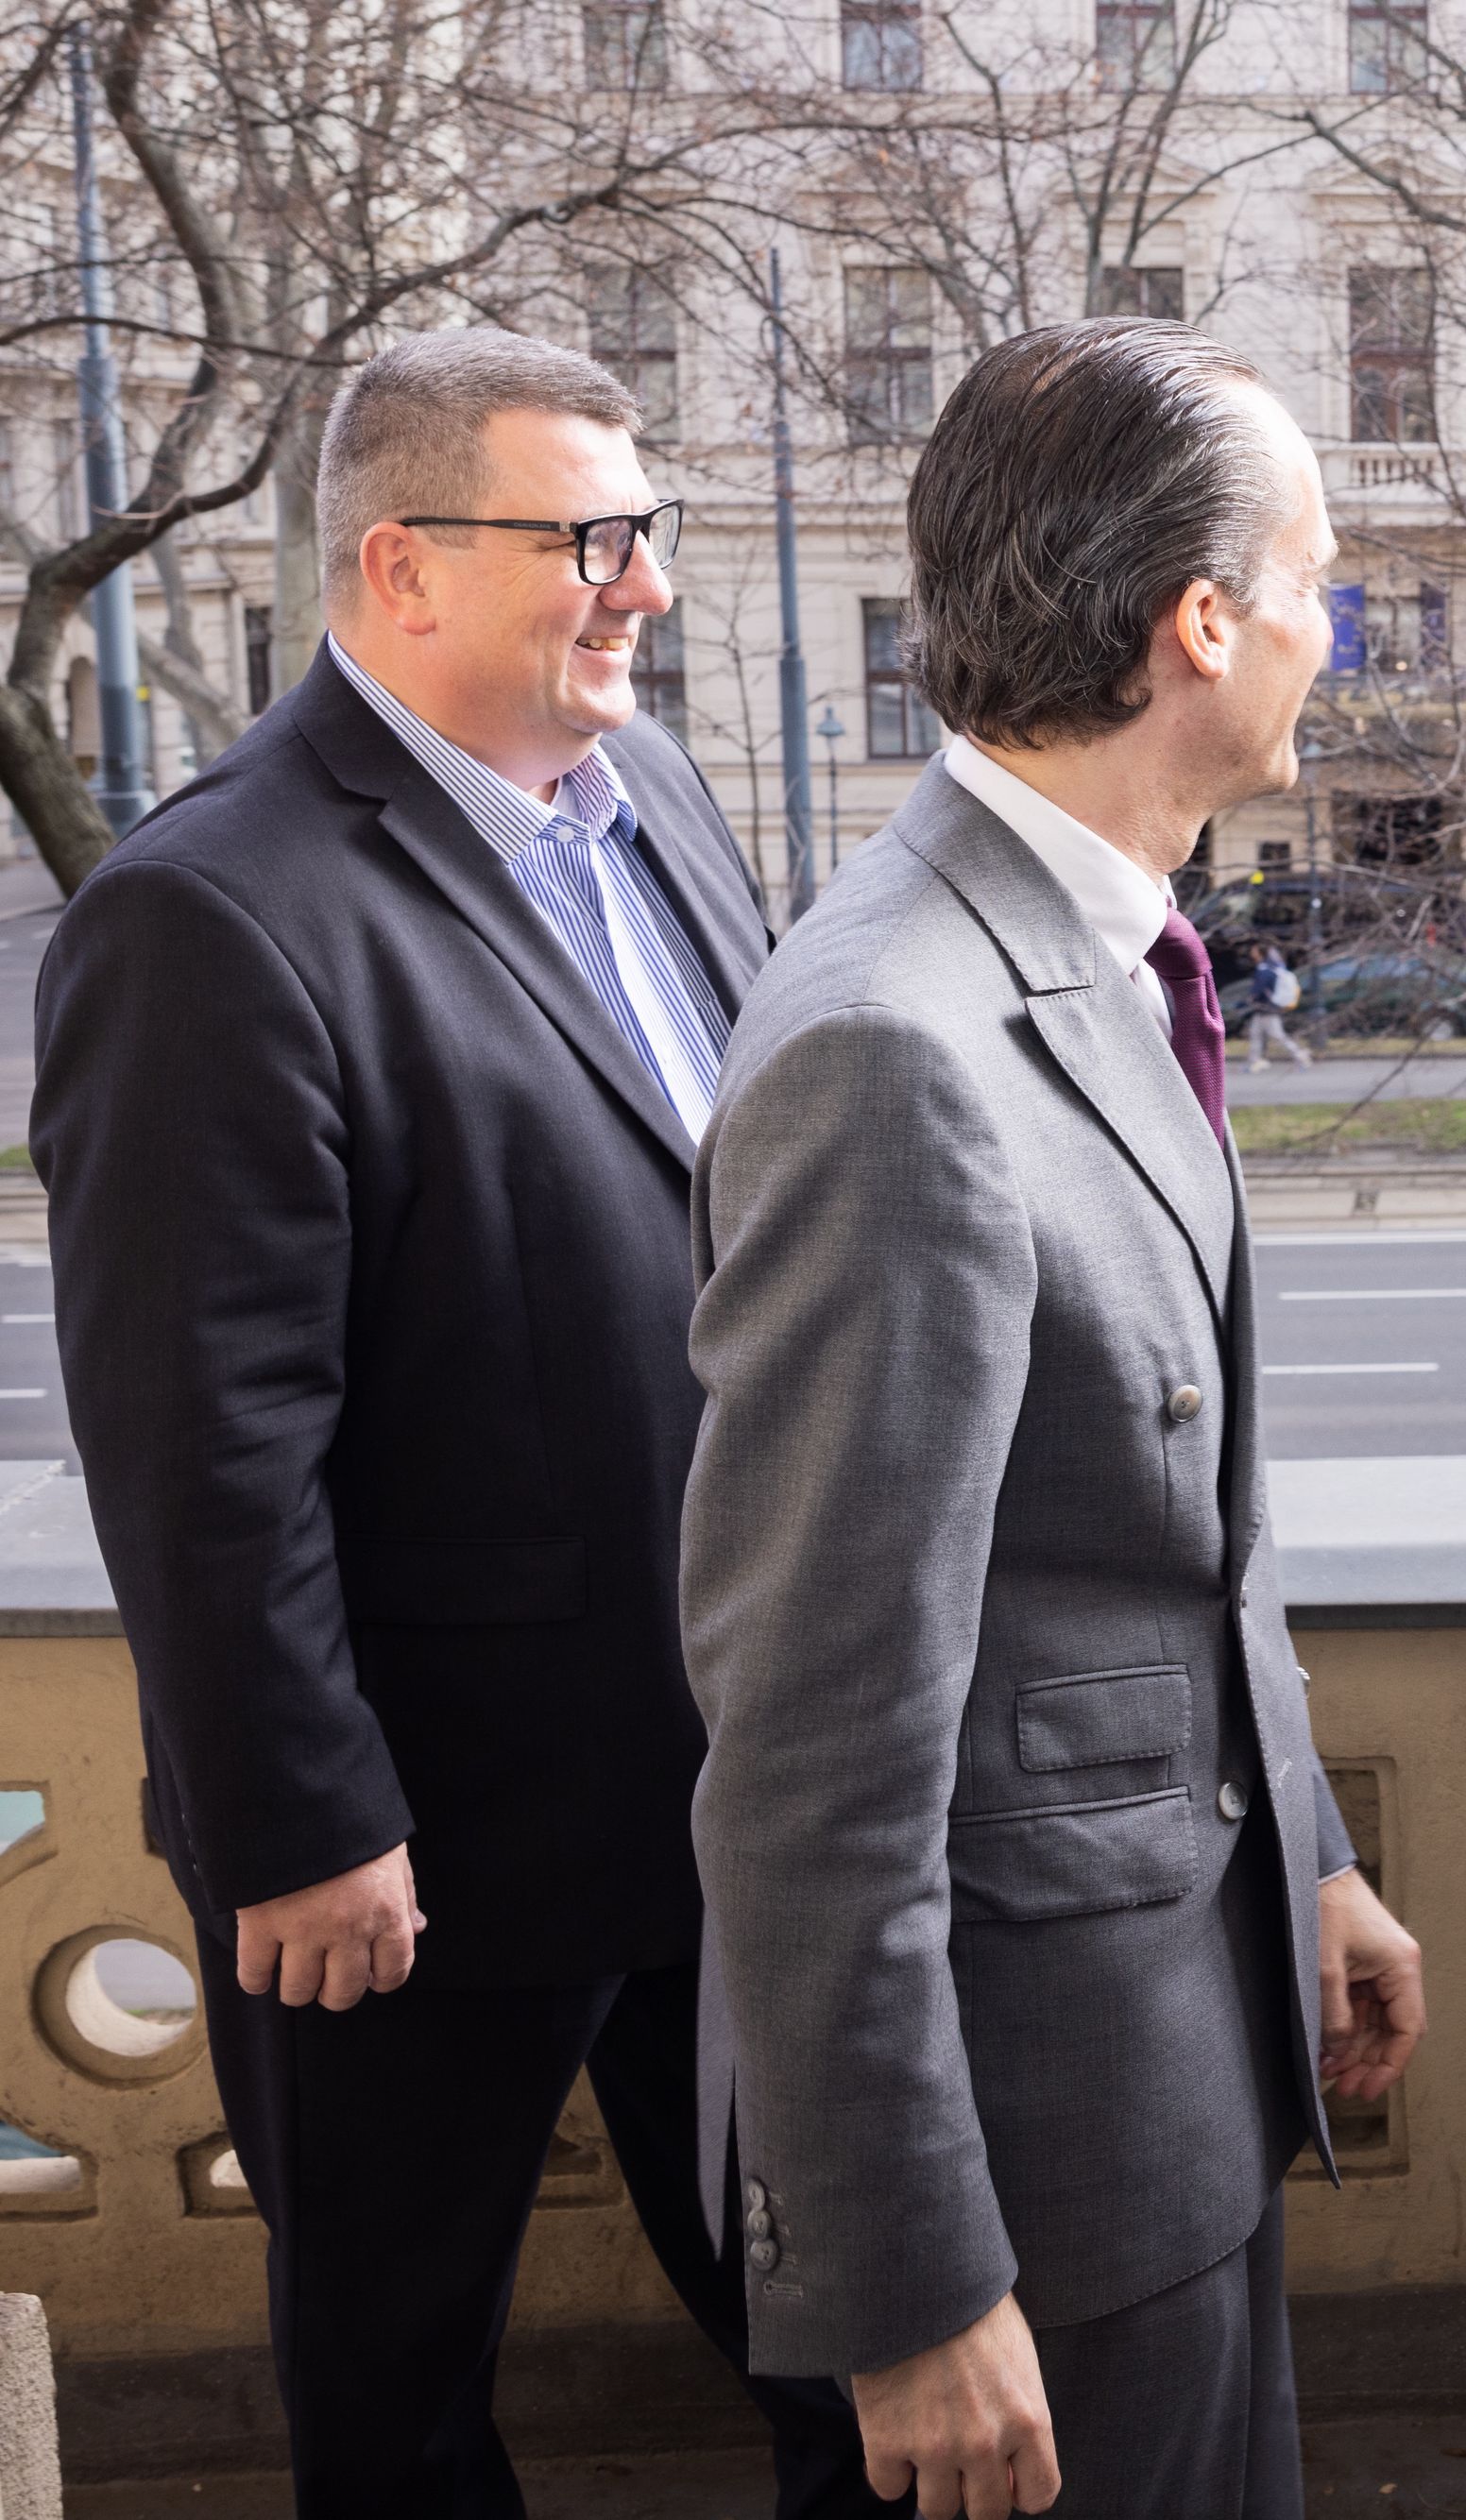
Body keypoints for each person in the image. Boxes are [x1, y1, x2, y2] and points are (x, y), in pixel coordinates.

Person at [28, 331, 883, 2516]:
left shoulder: (663, 802)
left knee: (856, 2355)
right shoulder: (207, 912)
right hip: (409, 1847)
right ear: (400, 567)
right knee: (402, 2413)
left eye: (650, 534)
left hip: (731, 1784)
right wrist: (306, 1821)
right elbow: (204, 1442)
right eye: (590, 541)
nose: (646, 588)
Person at [679, 319, 1426, 2520]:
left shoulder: (1091, 952)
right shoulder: (894, 1049)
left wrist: (1311, 1859)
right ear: (1200, 625)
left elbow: (1154, 1531)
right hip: (1034, 2178)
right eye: (1318, 584)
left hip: (1166, 2045)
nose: (1329, 631)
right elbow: (811, 1745)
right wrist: (908, 2286)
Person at [1253, 939, 1317, 1066]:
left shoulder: (1265, 970)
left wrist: (1252, 998)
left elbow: (1259, 990)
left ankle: (1300, 1054)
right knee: (1256, 1034)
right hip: (1263, 1009)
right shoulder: (1270, 969)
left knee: (1277, 1036)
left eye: (1254, 951)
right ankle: (1255, 1061)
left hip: (1267, 1009)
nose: (1251, 953)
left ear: (1261, 953)